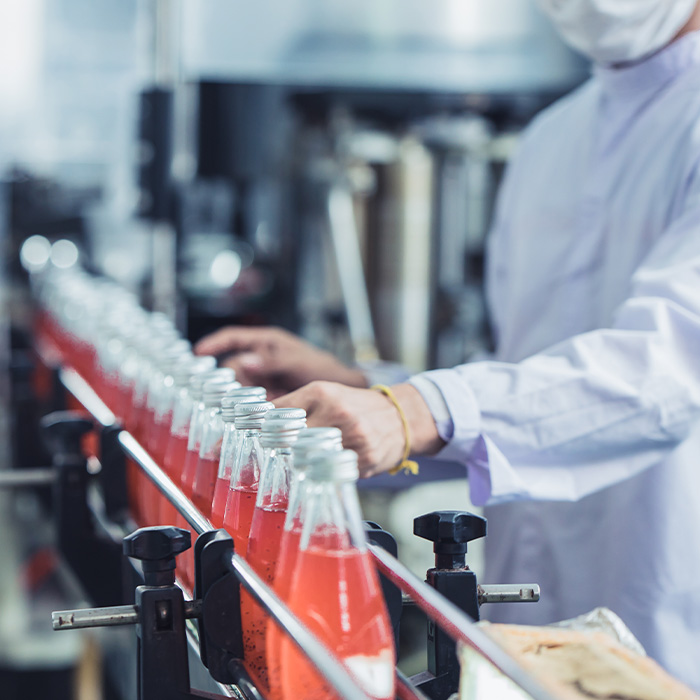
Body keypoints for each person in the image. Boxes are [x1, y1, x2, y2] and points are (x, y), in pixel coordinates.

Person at [197, 0, 700, 689]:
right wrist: (369, 393)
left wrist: (417, 410)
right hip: (527, 632)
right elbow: (530, 389)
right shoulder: (554, 138)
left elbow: (667, 370)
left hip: (673, 626)